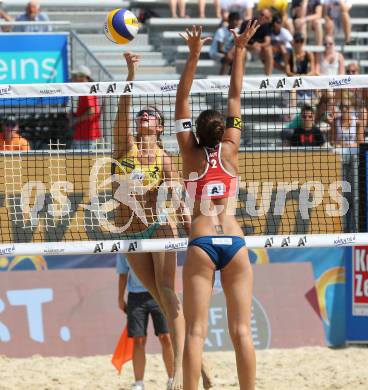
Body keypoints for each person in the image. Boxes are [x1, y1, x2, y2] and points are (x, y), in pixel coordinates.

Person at [112, 52, 212, 390]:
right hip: (131, 233)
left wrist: (188, 224)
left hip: (158, 229)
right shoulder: (123, 147)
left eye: (151, 115)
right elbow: (123, 109)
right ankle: (202, 367)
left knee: (168, 294)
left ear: (160, 127)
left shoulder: (165, 158)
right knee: (161, 298)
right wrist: (131, 73)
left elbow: (178, 194)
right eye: (142, 114)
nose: (143, 116)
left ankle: (185, 375)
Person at [175, 22, 259, 389]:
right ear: (224, 131)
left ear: (195, 132)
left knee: (195, 332)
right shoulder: (231, 149)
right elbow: (236, 97)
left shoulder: (189, 154)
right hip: (235, 243)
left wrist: (194, 56)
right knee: (241, 331)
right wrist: (239, 50)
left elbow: (181, 99)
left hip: (203, 242)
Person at [117, 255, 174, 390]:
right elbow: (123, 273)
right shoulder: (124, 246)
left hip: (158, 292)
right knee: (138, 340)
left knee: (165, 337)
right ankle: (139, 383)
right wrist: (120, 298)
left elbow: (167, 268)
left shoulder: (154, 237)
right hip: (135, 296)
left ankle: (172, 378)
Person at [71, 65, 101, 150]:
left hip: (87, 135)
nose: (72, 78)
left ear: (83, 77)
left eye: (75, 76)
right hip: (84, 134)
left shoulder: (87, 89)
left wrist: (76, 120)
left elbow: (92, 111)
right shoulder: (85, 89)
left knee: (86, 161)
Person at [241, 8, 273, 75]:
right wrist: (252, 46)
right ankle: (240, 76)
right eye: (262, 15)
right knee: (242, 50)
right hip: (248, 49)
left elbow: (268, 42)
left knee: (269, 49)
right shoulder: (246, 24)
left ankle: (268, 76)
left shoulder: (267, 26)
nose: (263, 18)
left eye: (266, 17)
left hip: (259, 50)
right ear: (258, 14)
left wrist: (258, 45)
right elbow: (240, 42)